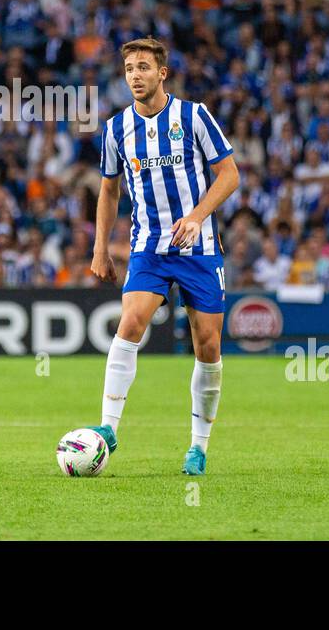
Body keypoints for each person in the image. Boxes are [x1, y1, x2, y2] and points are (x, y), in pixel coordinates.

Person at [86, 37, 239, 476]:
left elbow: (229, 175)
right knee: (130, 323)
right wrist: (100, 248)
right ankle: (108, 429)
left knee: (207, 346)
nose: (135, 75)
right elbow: (109, 190)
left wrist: (196, 217)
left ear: (162, 73)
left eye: (143, 68)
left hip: (199, 248)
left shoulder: (194, 116)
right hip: (148, 247)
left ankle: (198, 447)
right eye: (130, 68)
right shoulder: (116, 129)